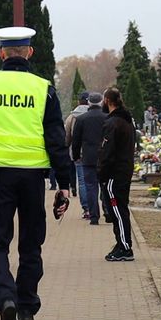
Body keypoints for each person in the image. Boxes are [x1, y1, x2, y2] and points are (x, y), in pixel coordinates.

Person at [0, 26, 71, 320]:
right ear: (29, 52)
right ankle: (26, 309)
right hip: (31, 177)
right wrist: (64, 183)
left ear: (1, 53)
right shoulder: (44, 89)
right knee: (30, 244)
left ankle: (5, 299)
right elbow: (56, 139)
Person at [98, 88, 135, 261]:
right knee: (119, 209)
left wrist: (102, 174)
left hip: (114, 174)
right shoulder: (127, 121)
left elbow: (107, 152)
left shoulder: (113, 123)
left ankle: (125, 247)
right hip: (124, 171)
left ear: (106, 100)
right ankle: (121, 243)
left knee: (118, 211)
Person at [72, 92, 111, 225]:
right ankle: (108, 212)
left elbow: (76, 140)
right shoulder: (107, 118)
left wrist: (76, 156)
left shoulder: (81, 119)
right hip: (105, 158)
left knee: (90, 187)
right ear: (101, 102)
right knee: (105, 186)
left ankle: (94, 216)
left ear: (88, 102)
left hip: (88, 158)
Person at [64, 91, 90, 218]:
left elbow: (67, 136)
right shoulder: (94, 114)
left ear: (79, 101)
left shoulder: (72, 117)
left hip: (77, 153)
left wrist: (66, 148)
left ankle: (86, 209)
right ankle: (93, 206)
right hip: (92, 153)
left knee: (82, 181)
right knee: (93, 181)